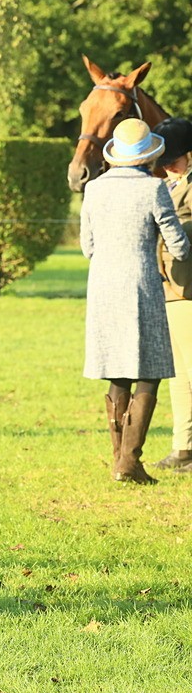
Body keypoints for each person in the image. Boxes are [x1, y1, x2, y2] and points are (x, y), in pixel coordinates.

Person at [82, 118, 190, 484]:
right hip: (142, 286)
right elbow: (178, 244)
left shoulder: (94, 190)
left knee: (118, 372)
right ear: (148, 156)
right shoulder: (153, 189)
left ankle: (118, 459)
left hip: (102, 287)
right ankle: (129, 461)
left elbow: (87, 247)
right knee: (149, 372)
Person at [153, 117, 192, 472]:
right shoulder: (166, 186)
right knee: (179, 375)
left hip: (189, 289)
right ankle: (183, 447)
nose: (167, 166)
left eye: (174, 160)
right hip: (170, 289)